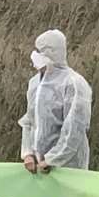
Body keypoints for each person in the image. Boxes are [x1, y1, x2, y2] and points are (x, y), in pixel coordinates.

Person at [18, 29, 93, 173]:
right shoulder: (35, 84)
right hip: (37, 167)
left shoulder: (73, 84)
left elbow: (74, 128)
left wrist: (53, 159)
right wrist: (28, 153)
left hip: (68, 168)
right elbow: (30, 120)